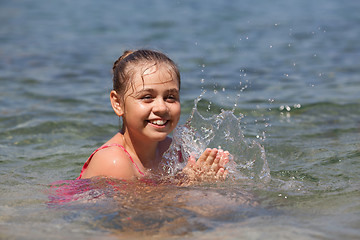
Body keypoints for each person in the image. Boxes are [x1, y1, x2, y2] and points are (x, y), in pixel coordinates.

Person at [77, 49, 229, 182]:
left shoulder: (171, 150)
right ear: (118, 103)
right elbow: (139, 212)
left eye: (170, 97)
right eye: (147, 97)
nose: (161, 108)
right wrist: (190, 183)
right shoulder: (114, 161)